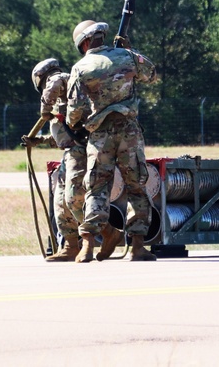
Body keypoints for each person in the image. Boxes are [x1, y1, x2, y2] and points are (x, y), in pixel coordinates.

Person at [67, 20, 158, 262]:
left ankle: (87, 246)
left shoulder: (81, 67)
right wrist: (132, 50)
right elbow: (151, 74)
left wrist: (78, 124)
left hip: (100, 136)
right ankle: (138, 246)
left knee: (96, 187)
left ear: (83, 43)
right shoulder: (126, 56)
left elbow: (74, 110)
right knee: (136, 185)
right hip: (129, 131)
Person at [23, 58, 123, 262]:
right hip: (69, 153)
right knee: (60, 202)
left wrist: (45, 107)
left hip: (81, 151)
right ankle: (70, 244)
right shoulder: (62, 100)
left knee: (74, 198)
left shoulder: (64, 81)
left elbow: (57, 81)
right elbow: (62, 136)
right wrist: (38, 140)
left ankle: (107, 232)